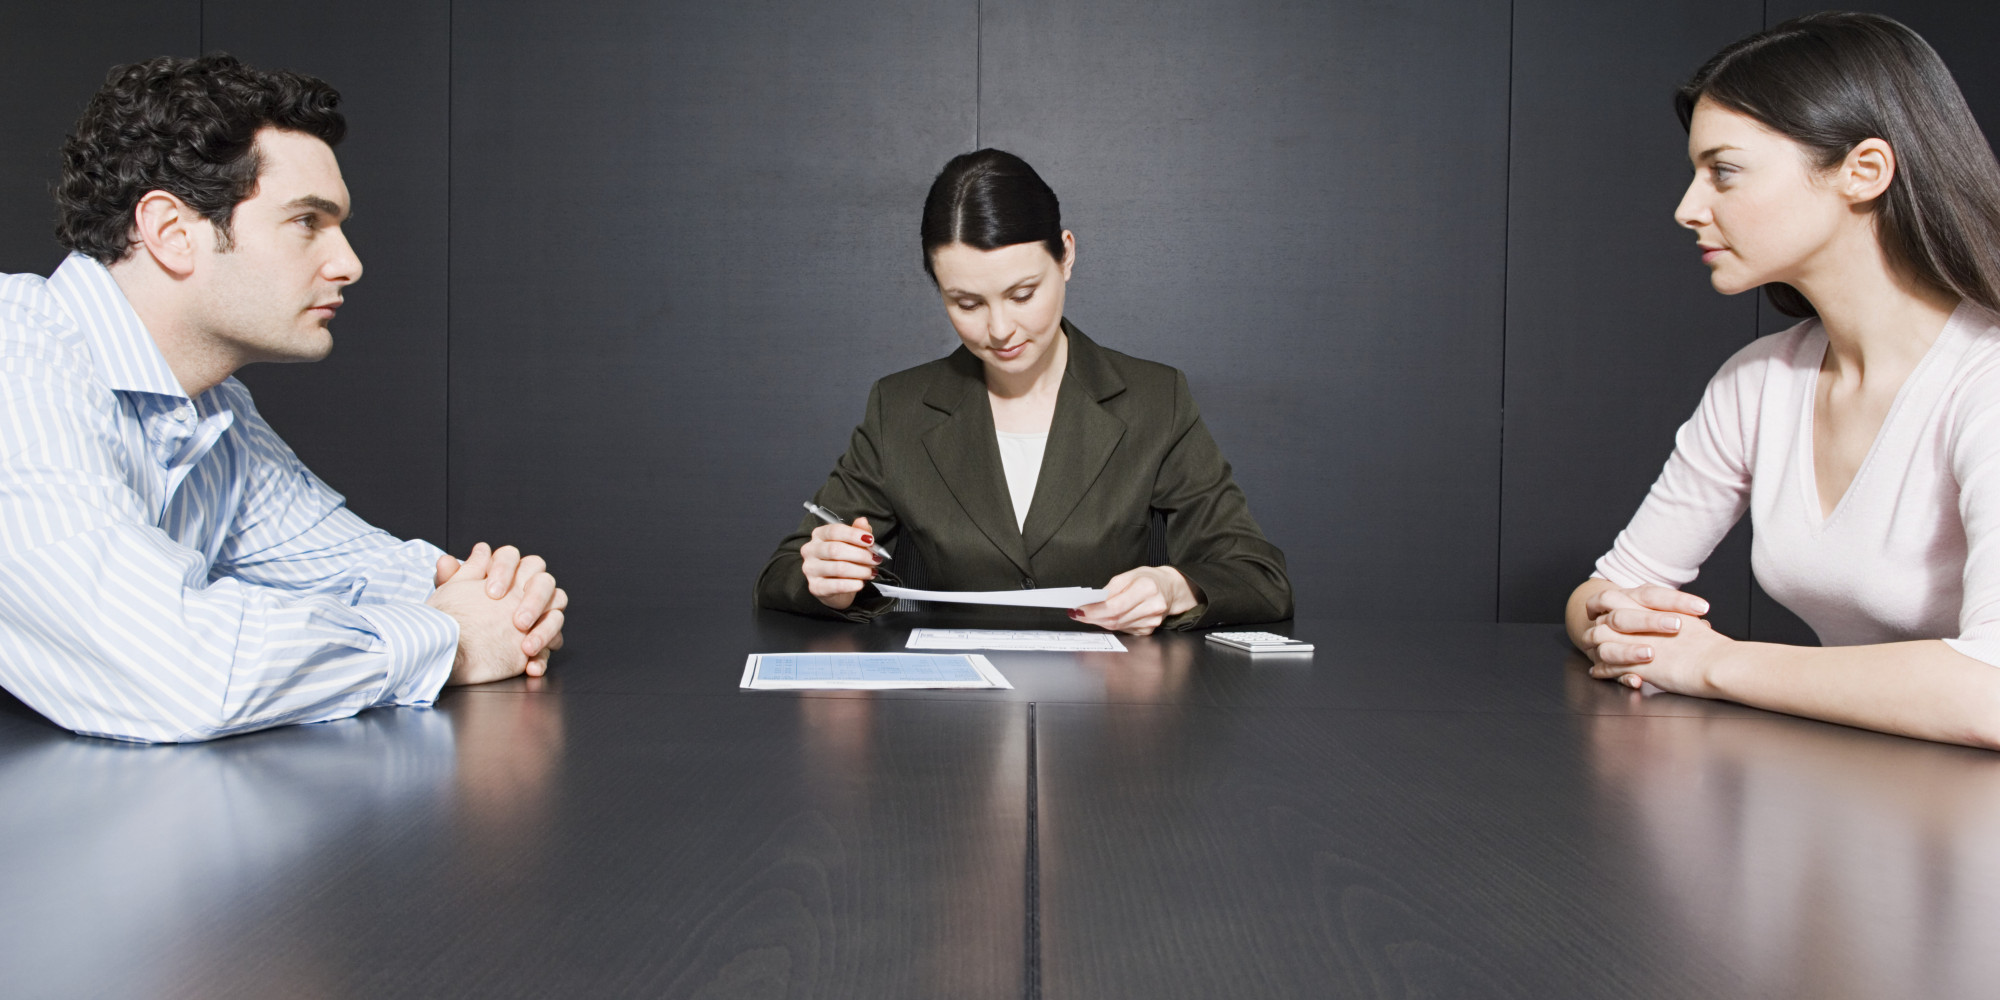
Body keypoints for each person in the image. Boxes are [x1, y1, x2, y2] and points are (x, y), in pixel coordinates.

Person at [0, 55, 567, 743]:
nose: (349, 263)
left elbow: (355, 568)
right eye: (307, 221)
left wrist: (503, 605)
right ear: (172, 232)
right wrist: (449, 638)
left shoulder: (212, 408)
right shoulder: (19, 367)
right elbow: (176, 670)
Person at [1567, 13, 2000, 748]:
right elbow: (1606, 589)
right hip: (1863, 799)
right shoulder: (1759, 381)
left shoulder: (1984, 384)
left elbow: (1991, 695)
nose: (1687, 209)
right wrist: (1620, 620)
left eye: (1725, 172)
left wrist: (1713, 666)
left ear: (1864, 171)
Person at [756, 150, 1290, 634]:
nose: (1000, 328)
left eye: (1022, 293)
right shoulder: (899, 409)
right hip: (948, 723)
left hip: (1116, 717)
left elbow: (1258, 577)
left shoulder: (1156, 400)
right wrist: (828, 576)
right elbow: (782, 573)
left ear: (1067, 256)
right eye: (967, 303)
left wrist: (1177, 587)